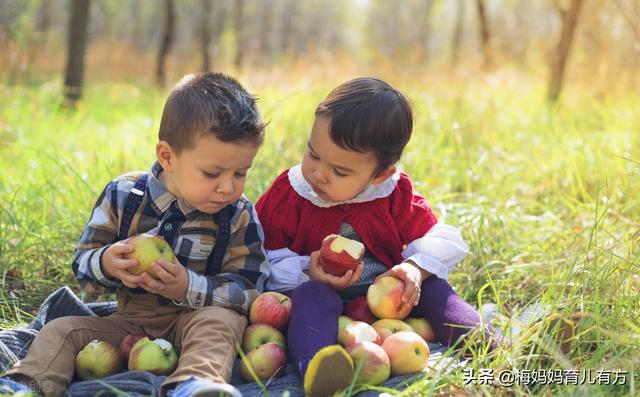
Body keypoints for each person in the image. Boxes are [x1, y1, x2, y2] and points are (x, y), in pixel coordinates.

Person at [0, 72, 270, 397]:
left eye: (241, 173)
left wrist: (189, 285)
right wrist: (108, 263)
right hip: (128, 323)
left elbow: (254, 288)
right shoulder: (124, 196)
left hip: (194, 319)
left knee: (221, 324)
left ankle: (195, 384)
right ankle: (25, 385)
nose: (228, 186)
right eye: (212, 173)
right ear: (168, 156)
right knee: (61, 329)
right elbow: (84, 265)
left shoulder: (237, 214)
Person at [256, 77, 492, 397]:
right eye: (312, 154)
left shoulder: (392, 193)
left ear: (381, 174)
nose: (319, 173)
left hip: (389, 307)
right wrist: (309, 271)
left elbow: (443, 239)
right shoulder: (292, 193)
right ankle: (320, 368)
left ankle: (489, 346)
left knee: (435, 288)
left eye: (340, 172)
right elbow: (264, 256)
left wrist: (415, 270)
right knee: (312, 297)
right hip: (325, 301)